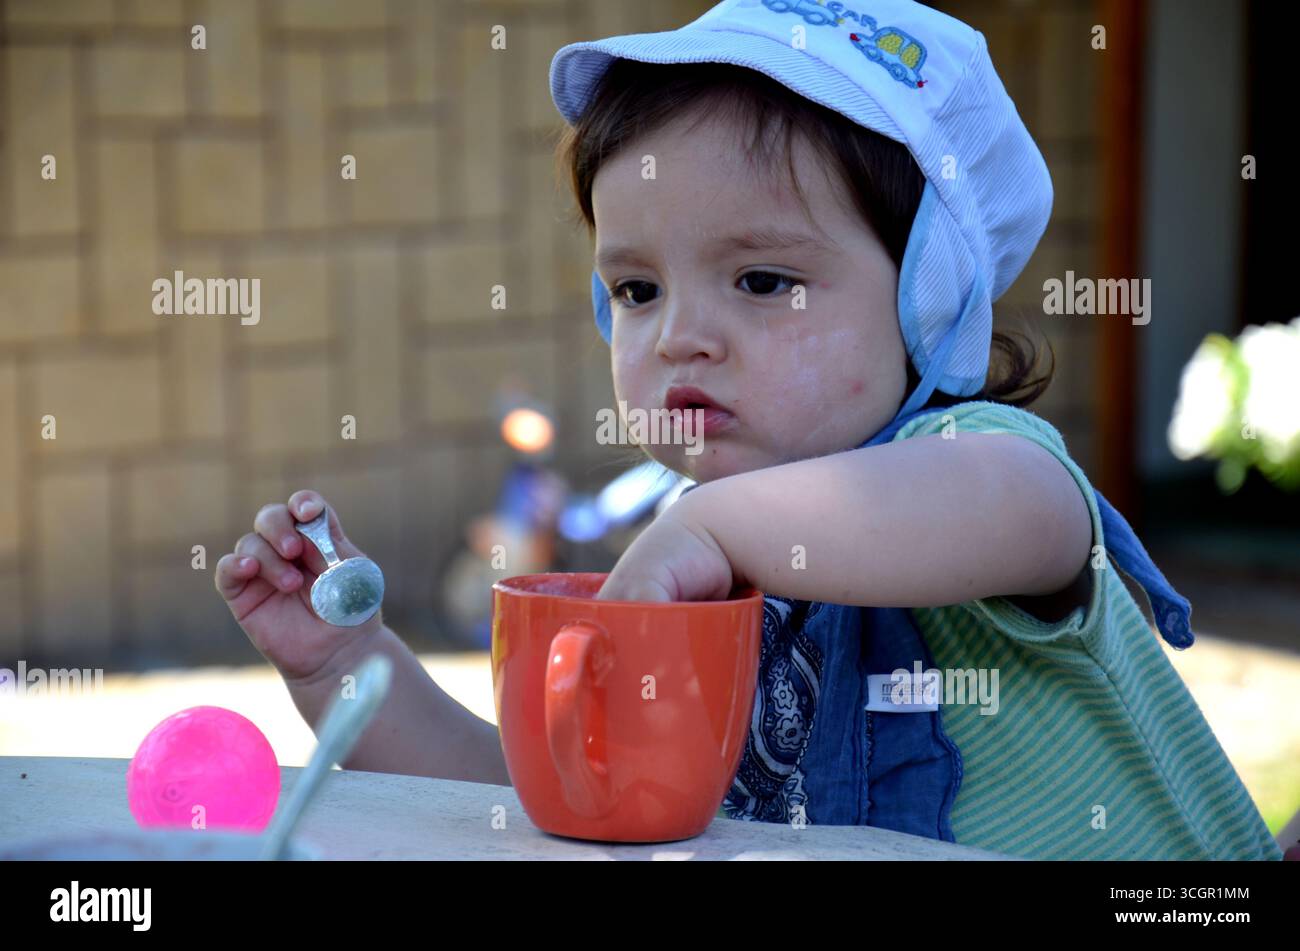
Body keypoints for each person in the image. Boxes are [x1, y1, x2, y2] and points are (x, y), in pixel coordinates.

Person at [214, 0, 1282, 859]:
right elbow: (556, 798)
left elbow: (1025, 514)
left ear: (926, 303)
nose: (680, 336)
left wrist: (711, 529)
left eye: (763, 280)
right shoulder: (695, 557)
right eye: (635, 290)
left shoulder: (972, 468)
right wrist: (347, 668)